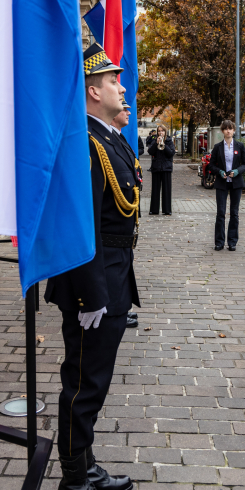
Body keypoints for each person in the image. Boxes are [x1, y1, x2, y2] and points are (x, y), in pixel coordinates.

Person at [44, 44, 139, 490]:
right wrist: (90, 294)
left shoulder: (108, 137)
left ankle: (85, 464)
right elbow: (82, 226)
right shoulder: (84, 142)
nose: (122, 87)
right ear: (93, 91)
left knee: (94, 384)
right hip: (94, 283)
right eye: (112, 80)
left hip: (113, 275)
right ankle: (73, 484)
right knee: (83, 385)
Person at [113, 99, 142, 330]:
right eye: (124, 108)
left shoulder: (119, 138)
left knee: (124, 266)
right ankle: (116, 309)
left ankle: (121, 308)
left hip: (124, 226)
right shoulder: (99, 141)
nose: (128, 112)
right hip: (111, 232)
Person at [210, 120, 245, 251]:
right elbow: (211, 165)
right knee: (220, 213)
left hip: (236, 183)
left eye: (230, 128)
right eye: (226, 129)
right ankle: (219, 242)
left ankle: (232, 242)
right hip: (222, 182)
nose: (228, 131)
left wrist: (237, 171)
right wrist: (219, 172)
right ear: (222, 131)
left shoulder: (240, 146)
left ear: (234, 130)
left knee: (234, 213)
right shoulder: (217, 147)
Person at [148, 124, 175, 216]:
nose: (160, 133)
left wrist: (164, 145)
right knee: (155, 189)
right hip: (156, 167)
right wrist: (156, 143)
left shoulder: (169, 141)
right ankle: (154, 210)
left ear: (165, 132)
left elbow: (171, 153)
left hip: (166, 167)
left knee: (166, 189)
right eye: (159, 131)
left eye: (162, 131)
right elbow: (150, 152)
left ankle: (167, 210)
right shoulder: (154, 140)